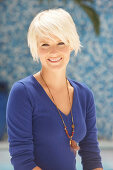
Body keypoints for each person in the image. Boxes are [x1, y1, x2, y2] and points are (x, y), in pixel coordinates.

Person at [6, 8, 103, 170]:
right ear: (36, 48)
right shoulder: (22, 93)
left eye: (61, 43)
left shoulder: (84, 94)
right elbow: (22, 160)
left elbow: (91, 153)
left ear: (71, 45)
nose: (54, 52)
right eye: (45, 44)